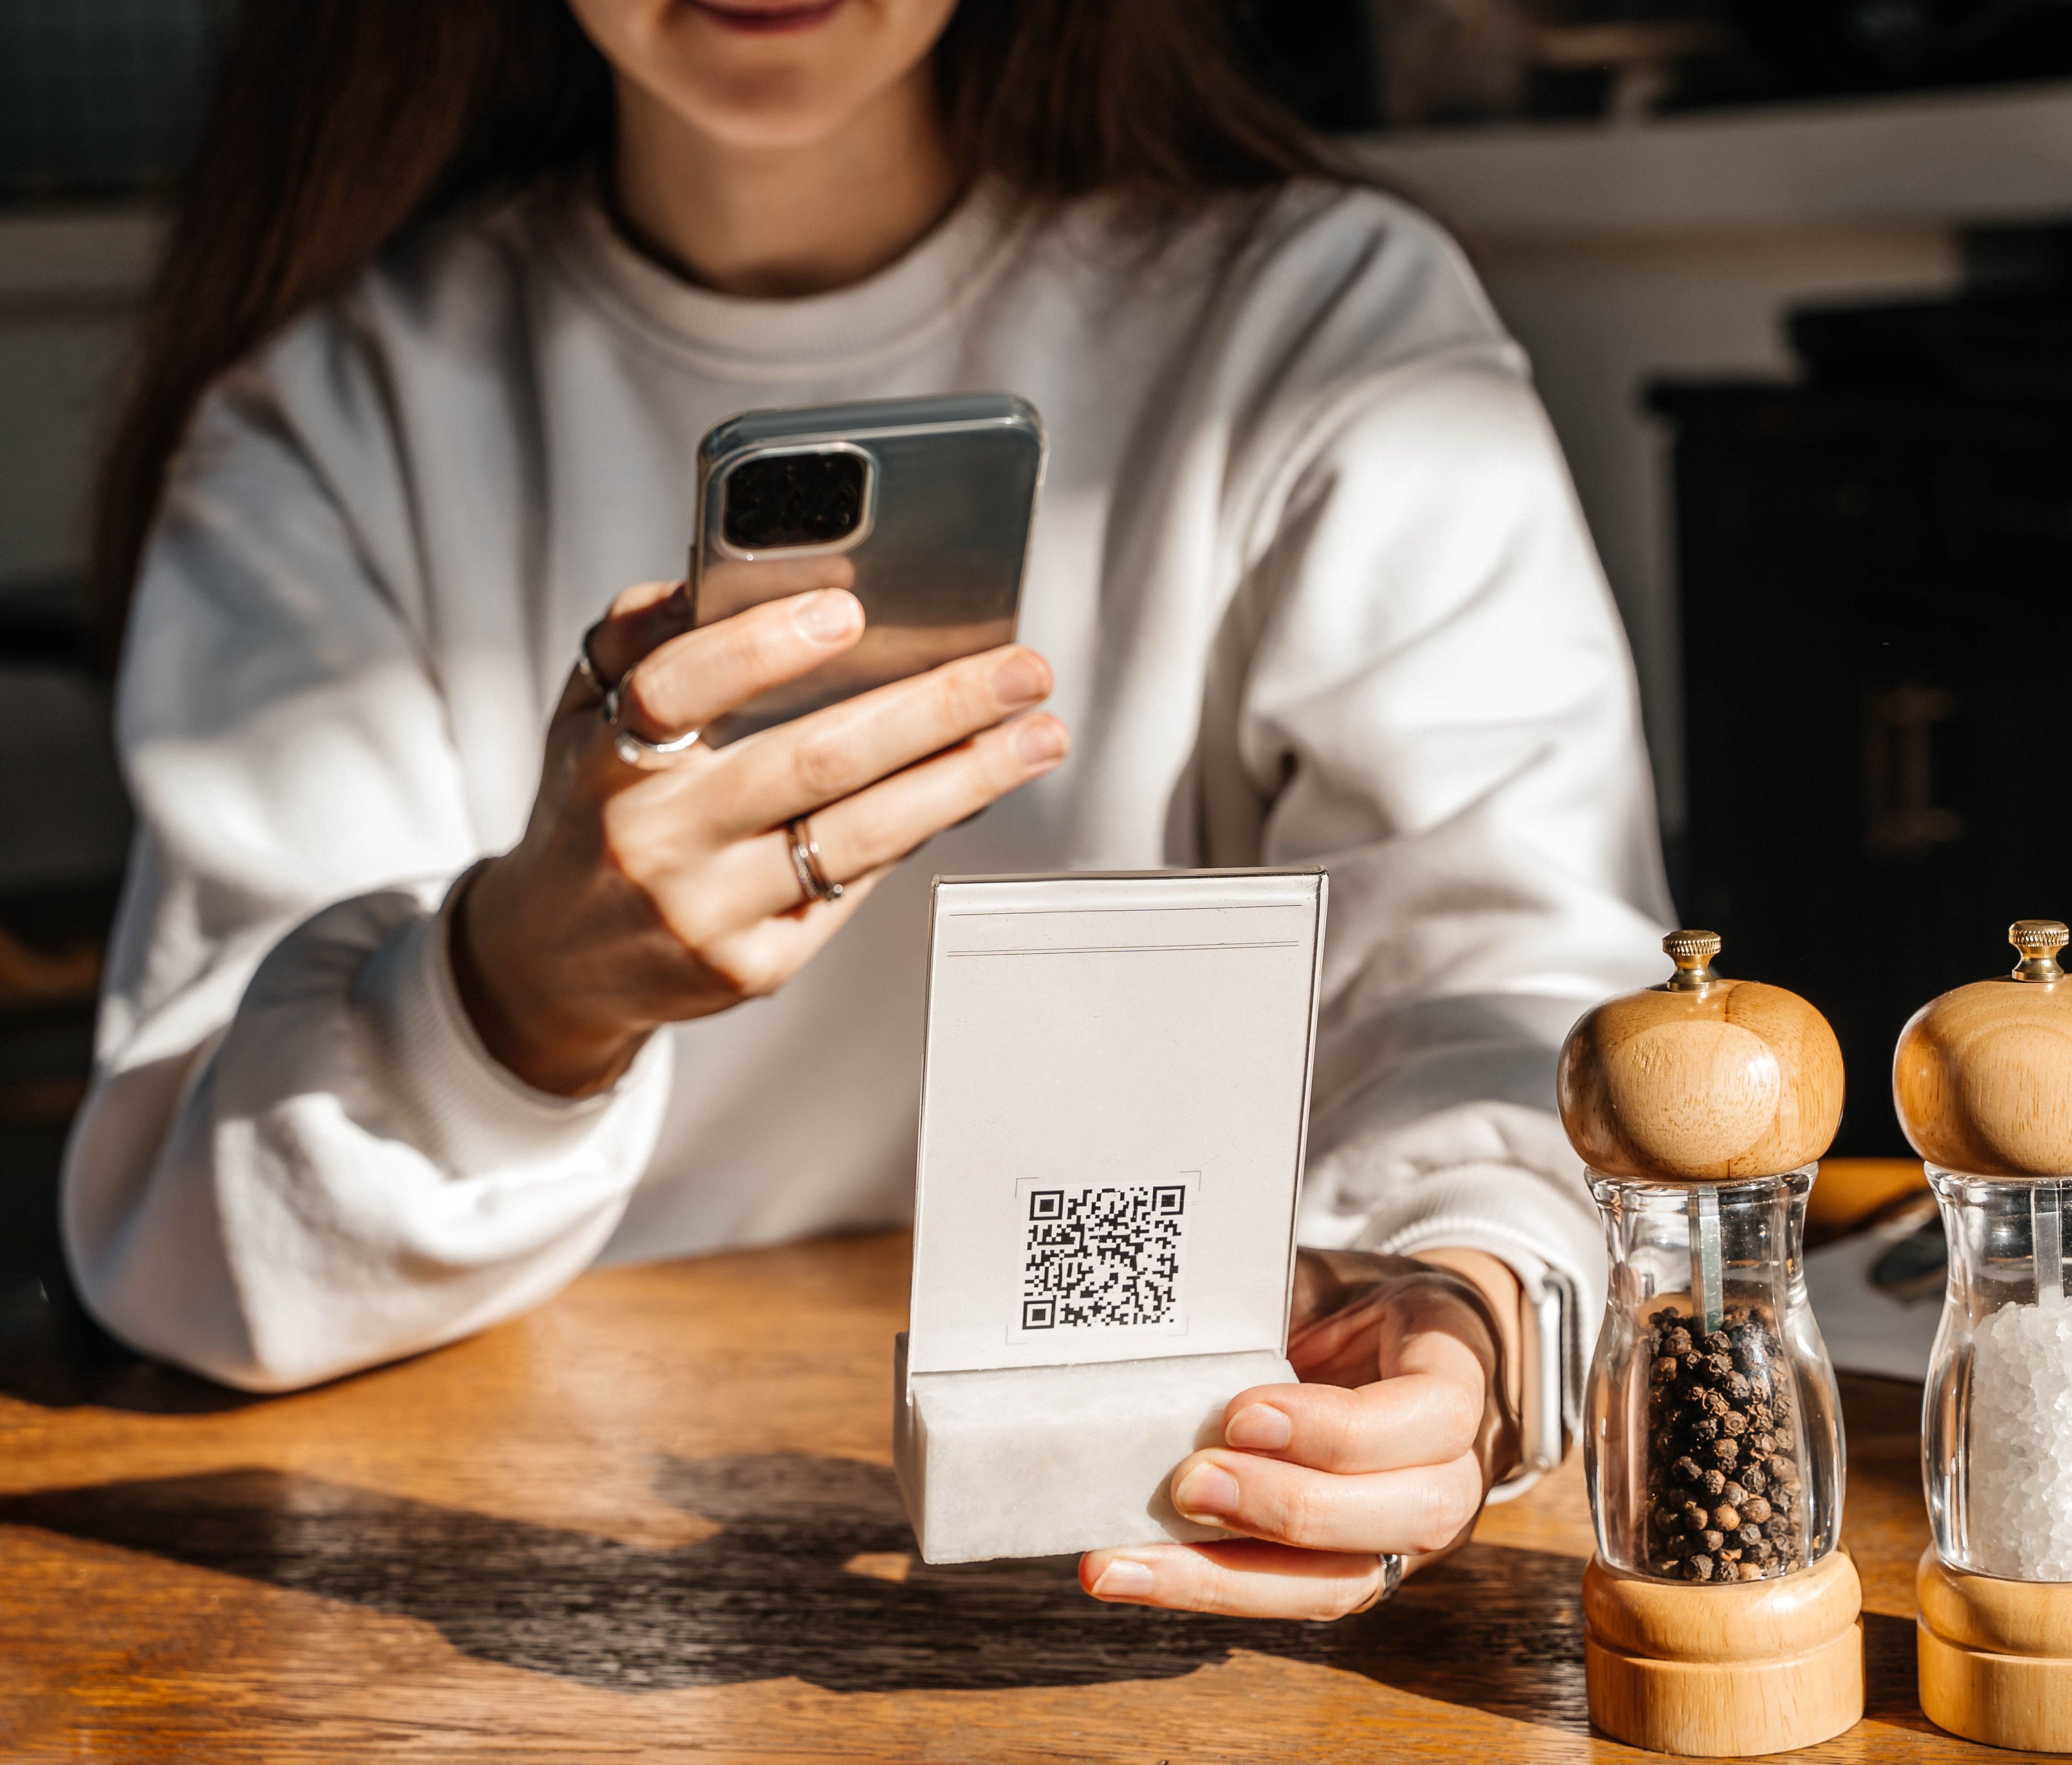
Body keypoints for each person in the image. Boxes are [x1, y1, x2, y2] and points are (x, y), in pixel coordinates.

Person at [64, 0, 1672, 1622]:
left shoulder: (1321, 322)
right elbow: (188, 1262)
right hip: (514, 1580)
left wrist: (1469, 1300)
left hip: (1161, 1518)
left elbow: (1505, 972)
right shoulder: (336, 414)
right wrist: (511, 999)